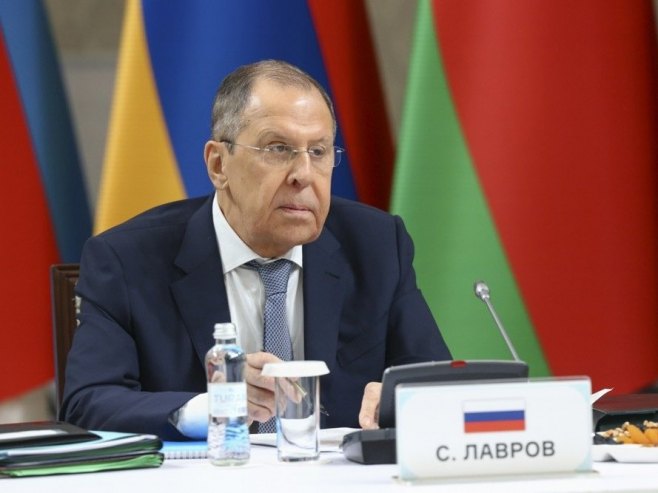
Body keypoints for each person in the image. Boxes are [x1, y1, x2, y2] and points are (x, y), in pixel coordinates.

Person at [61, 60, 451, 440]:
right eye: (278, 149)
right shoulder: (127, 260)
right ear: (218, 164)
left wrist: (403, 400)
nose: (303, 175)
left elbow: (440, 386)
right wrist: (214, 405)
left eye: (318, 152)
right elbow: (87, 403)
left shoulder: (377, 245)